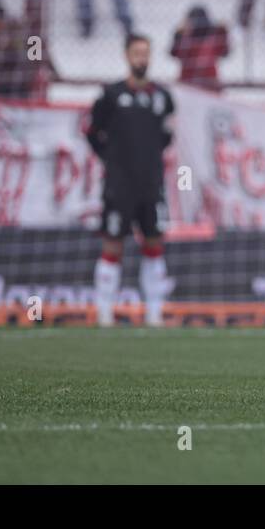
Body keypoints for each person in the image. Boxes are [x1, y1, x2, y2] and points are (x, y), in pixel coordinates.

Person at [87, 35, 176, 328]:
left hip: (151, 184)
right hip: (119, 185)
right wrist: (113, 161)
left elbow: (166, 136)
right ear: (127, 56)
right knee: (113, 245)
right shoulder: (110, 95)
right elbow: (92, 133)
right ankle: (103, 313)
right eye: (137, 53)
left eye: (146, 53)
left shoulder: (162, 98)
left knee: (153, 245)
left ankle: (154, 313)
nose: (142, 58)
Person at [170, 5, 230, 91]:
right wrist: (178, 35)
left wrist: (223, 32)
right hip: (188, 82)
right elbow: (174, 53)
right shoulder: (184, 38)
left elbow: (225, 52)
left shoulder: (213, 38)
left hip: (209, 82)